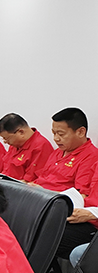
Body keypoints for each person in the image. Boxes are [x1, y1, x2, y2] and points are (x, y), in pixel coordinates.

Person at [31, 107, 98, 259]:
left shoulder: (91, 156)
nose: (56, 138)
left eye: (60, 134)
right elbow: (42, 179)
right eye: (54, 133)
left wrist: (44, 193)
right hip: (45, 204)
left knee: (38, 233)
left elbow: (82, 195)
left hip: (71, 213)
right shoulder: (57, 152)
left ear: (80, 132)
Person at [0, 112, 54, 182]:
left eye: (7, 138)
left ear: (21, 132)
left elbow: (31, 181)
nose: (5, 142)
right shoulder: (15, 145)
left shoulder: (40, 147)